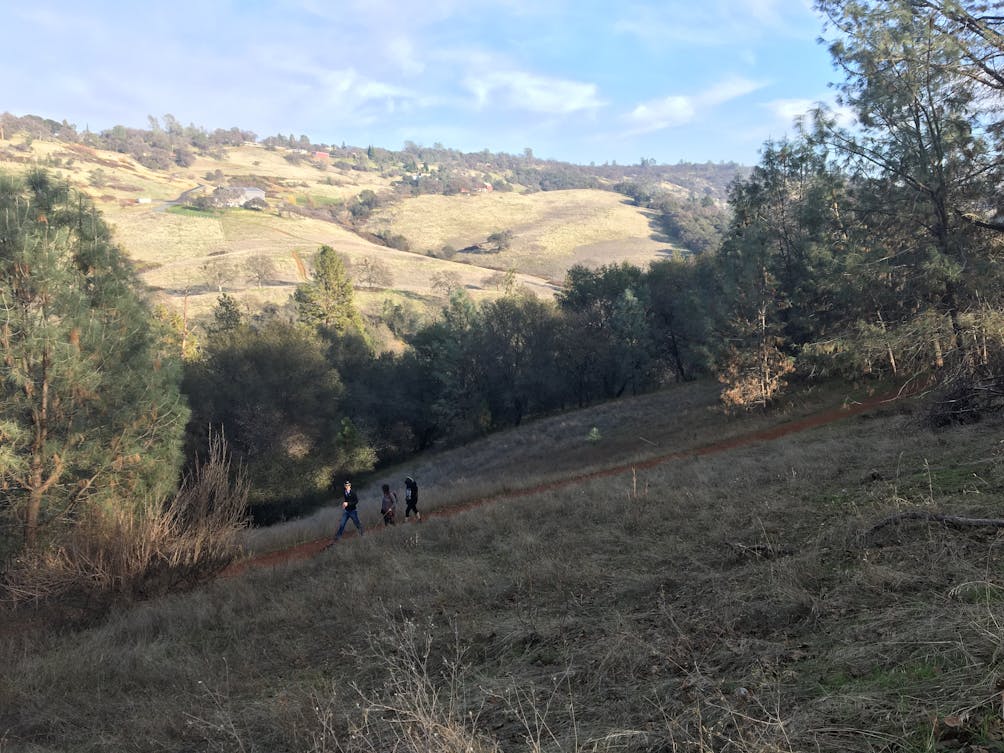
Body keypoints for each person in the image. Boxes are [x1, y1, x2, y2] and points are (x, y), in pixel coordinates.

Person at [328, 480, 363, 546]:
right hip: (346, 511)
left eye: (348, 485)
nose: (347, 486)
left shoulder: (353, 492)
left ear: (350, 485)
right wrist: (344, 505)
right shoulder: (344, 492)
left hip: (353, 511)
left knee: (356, 522)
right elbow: (346, 500)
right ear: (344, 486)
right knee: (342, 524)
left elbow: (356, 501)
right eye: (346, 485)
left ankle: (361, 532)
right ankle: (338, 537)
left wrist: (348, 503)